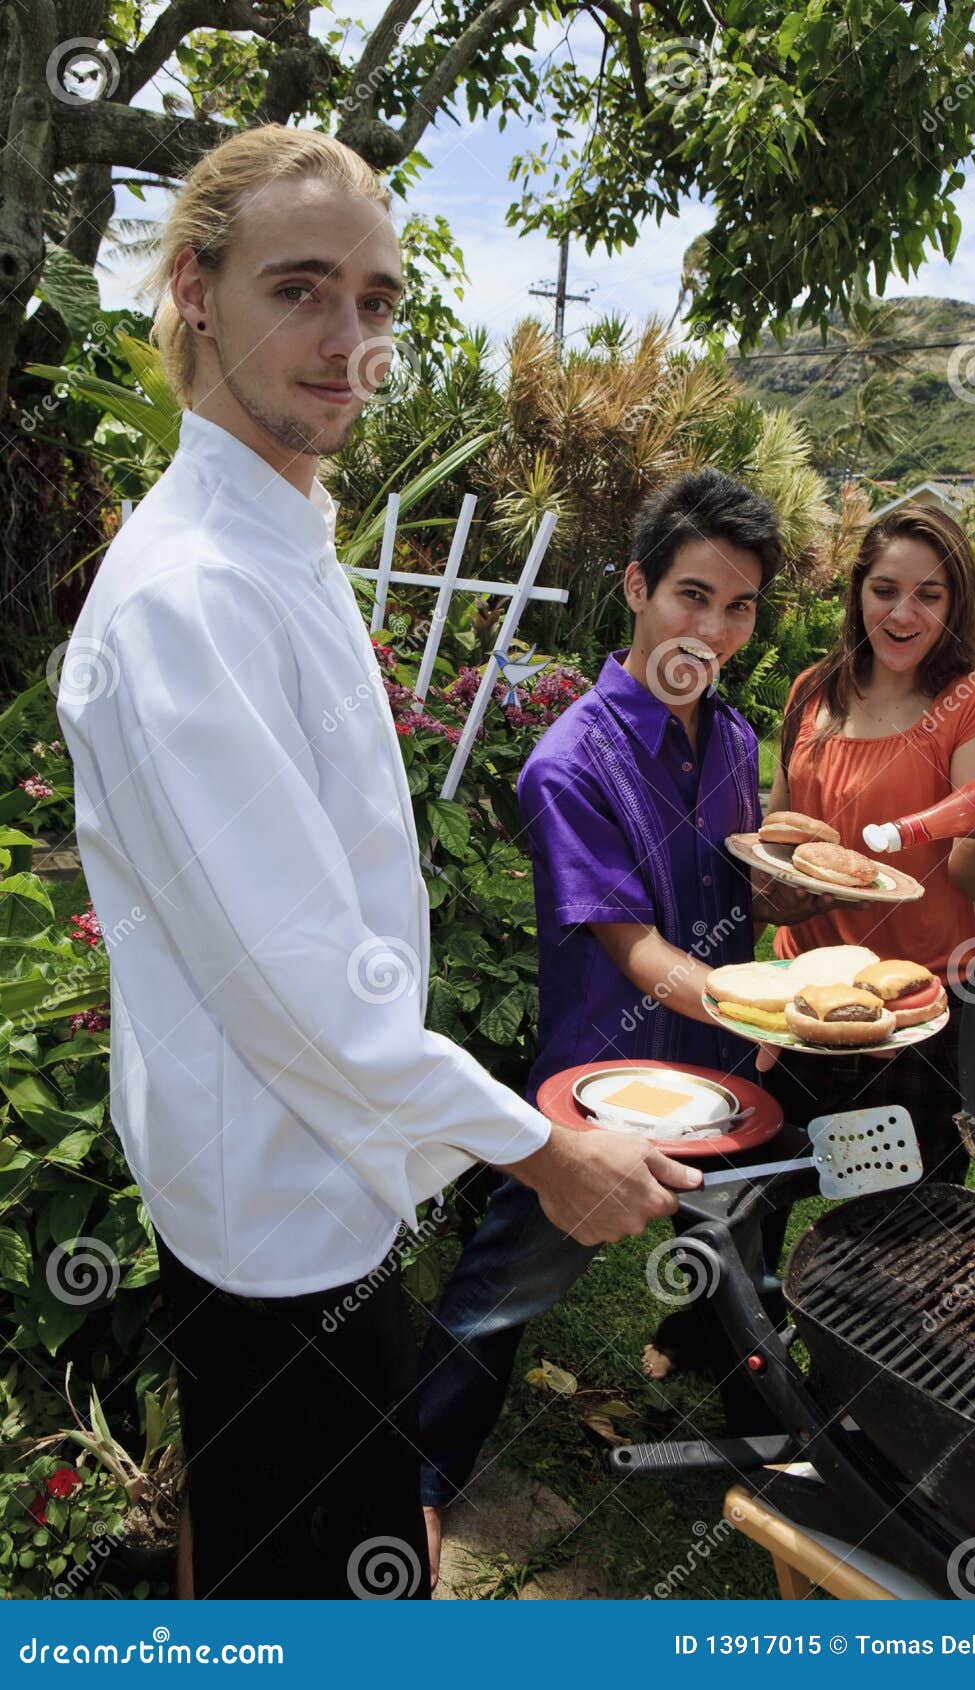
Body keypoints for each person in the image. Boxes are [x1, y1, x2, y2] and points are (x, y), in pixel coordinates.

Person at [55, 125, 703, 1602]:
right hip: (281, 1221)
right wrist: (546, 1153)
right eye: (301, 288)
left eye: (379, 298)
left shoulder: (277, 528)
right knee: (331, 1587)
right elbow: (300, 989)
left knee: (297, 1554)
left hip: (309, 1183)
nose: (351, 341)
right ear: (195, 288)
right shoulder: (190, 596)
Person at [417, 468, 841, 1582]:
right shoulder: (569, 763)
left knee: (745, 1261)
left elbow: (730, 896)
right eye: (692, 595)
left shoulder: (733, 738)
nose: (713, 627)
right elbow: (633, 950)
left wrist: (793, 898)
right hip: (604, 1094)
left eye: (740, 606)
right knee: (496, 1297)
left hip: (720, 1079)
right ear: (636, 587)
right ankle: (415, 1484)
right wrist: (770, 1003)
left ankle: (789, 1446)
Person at [764, 502, 975, 1180]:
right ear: (857, 592)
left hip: (916, 1008)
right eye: (884, 591)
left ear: (955, 605)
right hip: (800, 994)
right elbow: (782, 833)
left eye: (928, 595)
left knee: (902, 1226)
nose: (903, 615)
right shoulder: (814, 690)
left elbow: (969, 880)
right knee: (757, 1196)